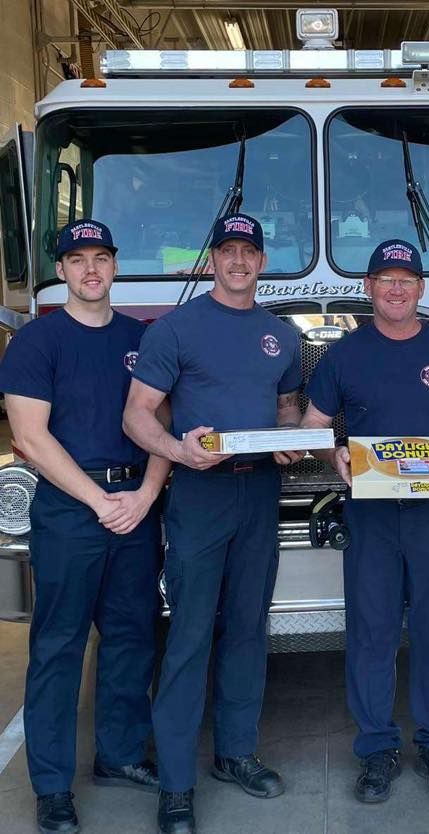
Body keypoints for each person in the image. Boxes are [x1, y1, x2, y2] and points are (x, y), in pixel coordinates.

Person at [122, 213, 303, 834]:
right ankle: (176, 784)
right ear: (212, 260)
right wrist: (177, 451)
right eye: (228, 251)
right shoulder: (176, 329)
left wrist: (289, 439)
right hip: (200, 495)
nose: (238, 261)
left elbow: (286, 408)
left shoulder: (282, 336)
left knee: (248, 628)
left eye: (249, 251)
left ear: (262, 261)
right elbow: (137, 415)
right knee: (190, 635)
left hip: (260, 492)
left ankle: (235, 753)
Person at [300, 239, 429, 804]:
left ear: (420, 288)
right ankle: (377, 749)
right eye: (385, 279)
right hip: (372, 513)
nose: (396, 289)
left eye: (406, 280)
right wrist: (333, 453)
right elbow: (313, 425)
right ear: (369, 288)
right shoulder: (344, 355)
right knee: (372, 631)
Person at [0, 219, 170, 834]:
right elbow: (29, 437)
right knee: (58, 646)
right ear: (62, 271)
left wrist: (146, 494)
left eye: (100, 258)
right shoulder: (37, 342)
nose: (90, 270)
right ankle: (51, 786)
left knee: (132, 635)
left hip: (136, 506)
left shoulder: (143, 339)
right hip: (73, 511)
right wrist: (101, 500)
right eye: (78, 260)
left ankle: (119, 755)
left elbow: (163, 426)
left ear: (115, 265)